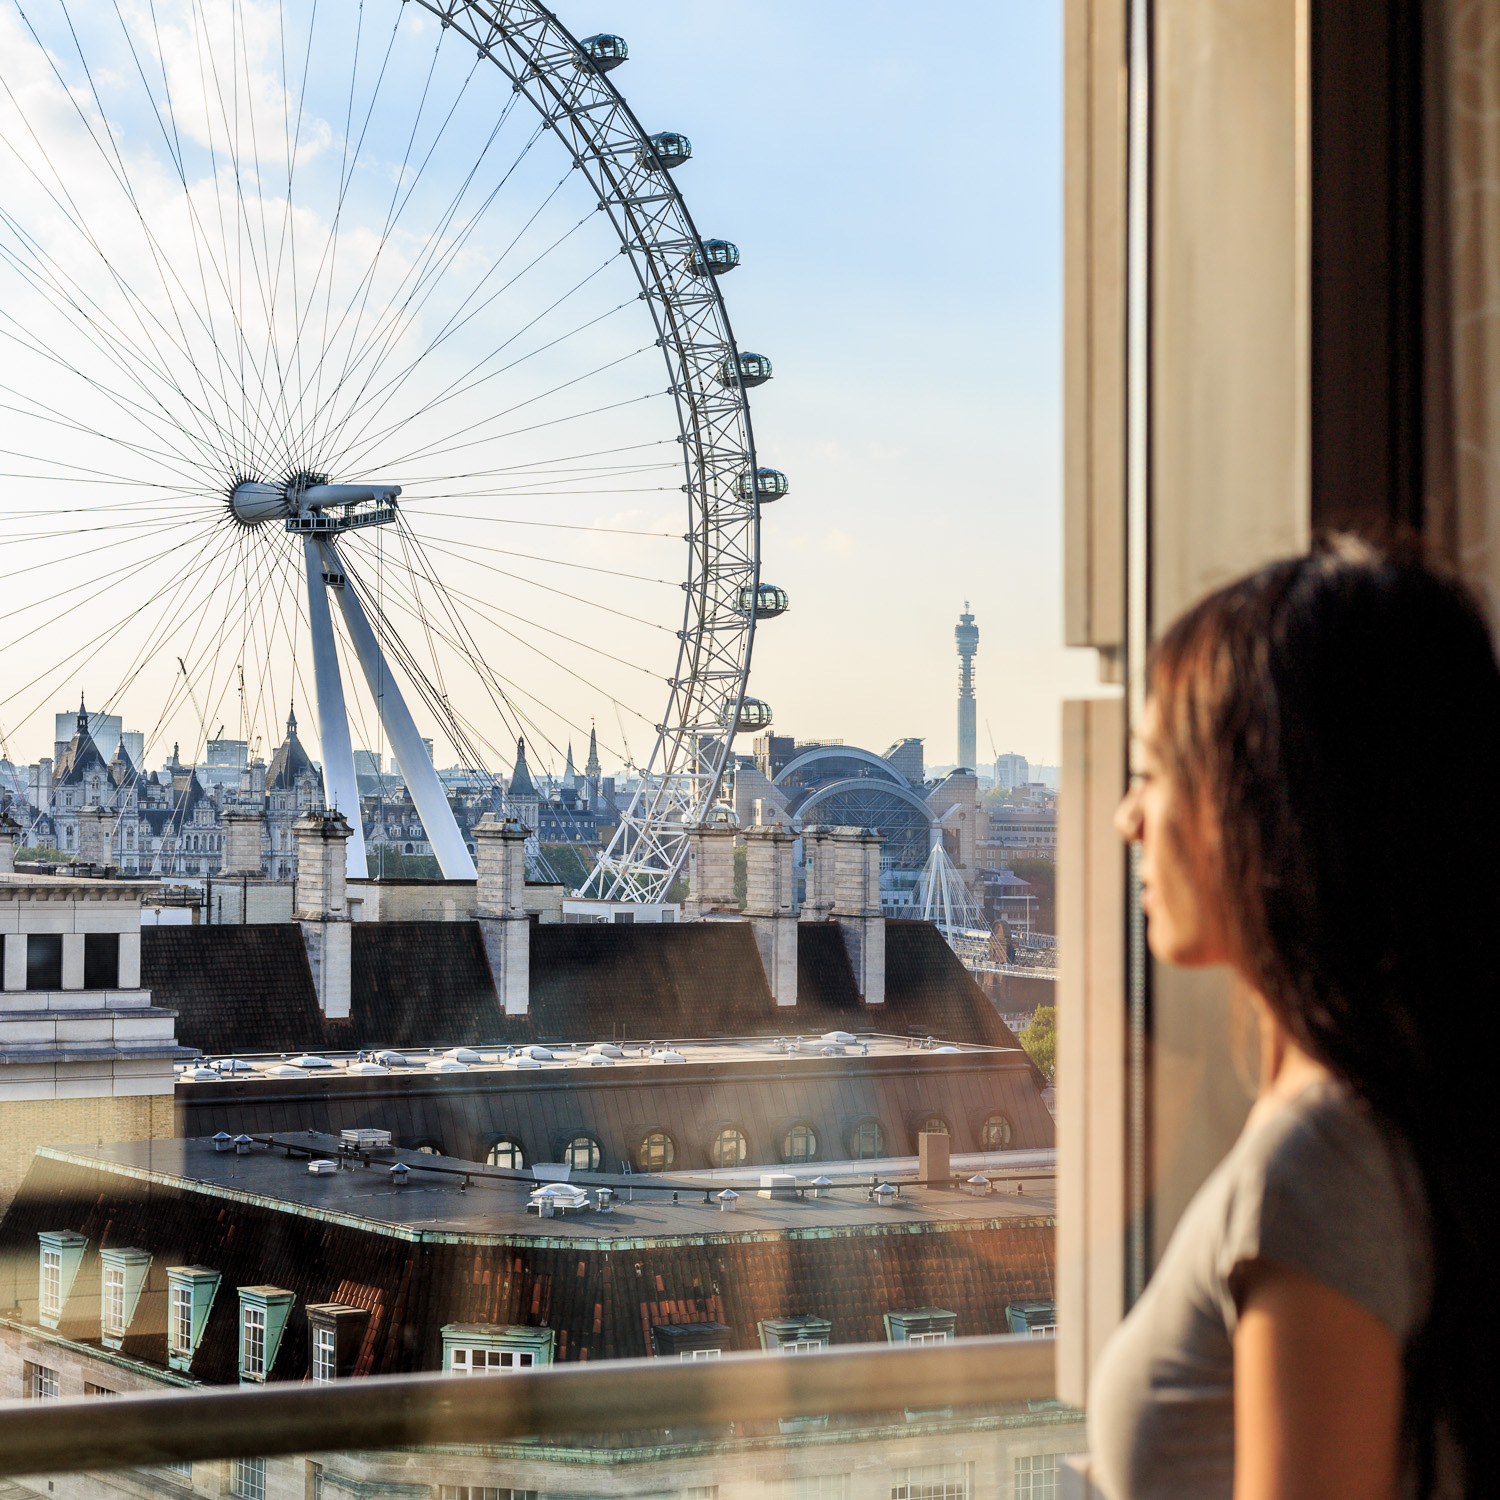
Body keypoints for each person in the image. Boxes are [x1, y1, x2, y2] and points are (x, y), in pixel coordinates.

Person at [1089, 538, 1500, 1500]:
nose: (1126, 818)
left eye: (1152, 774)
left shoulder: (1321, 1169)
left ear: (1263, 806)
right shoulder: (1392, 1120)